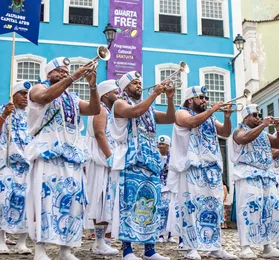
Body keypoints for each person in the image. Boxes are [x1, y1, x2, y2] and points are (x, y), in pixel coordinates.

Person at [25, 57, 101, 260]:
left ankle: (66, 249)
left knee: (74, 202)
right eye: (59, 70)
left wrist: (93, 87)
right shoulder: (37, 89)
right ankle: (40, 249)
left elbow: (94, 110)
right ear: (49, 73)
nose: (64, 73)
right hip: (48, 153)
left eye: (66, 70)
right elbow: (44, 98)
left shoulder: (73, 98)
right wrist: (75, 76)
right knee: (45, 200)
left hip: (72, 156)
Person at [108, 71, 175, 260]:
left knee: (151, 205)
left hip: (150, 161)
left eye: (139, 83)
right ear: (124, 87)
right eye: (134, 83)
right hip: (131, 159)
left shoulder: (149, 109)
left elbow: (171, 118)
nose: (138, 86)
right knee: (129, 204)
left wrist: (169, 98)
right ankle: (127, 251)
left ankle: (149, 250)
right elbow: (135, 112)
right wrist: (154, 94)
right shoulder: (120, 103)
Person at [169, 86, 236, 260]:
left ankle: (215, 246)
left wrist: (226, 117)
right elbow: (191, 123)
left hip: (211, 168)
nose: (205, 101)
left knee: (214, 207)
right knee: (192, 207)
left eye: (206, 98)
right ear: (190, 100)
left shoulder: (209, 117)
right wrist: (213, 109)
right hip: (192, 167)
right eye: (201, 98)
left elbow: (225, 132)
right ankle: (190, 246)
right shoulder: (181, 113)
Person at [232, 104, 279, 259]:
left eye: (259, 115)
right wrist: (263, 125)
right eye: (254, 115)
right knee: (248, 208)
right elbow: (243, 139)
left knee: (270, 209)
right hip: (248, 173)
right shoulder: (239, 130)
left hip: (266, 175)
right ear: (245, 117)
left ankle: (267, 246)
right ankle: (245, 246)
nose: (258, 118)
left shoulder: (263, 133)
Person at [85, 80, 119, 255]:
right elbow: (99, 133)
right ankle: (99, 242)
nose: (118, 95)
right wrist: (110, 157)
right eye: (115, 92)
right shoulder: (101, 109)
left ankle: (102, 241)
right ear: (106, 95)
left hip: (105, 162)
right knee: (100, 200)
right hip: (101, 162)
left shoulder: (108, 111)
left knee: (106, 202)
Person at [0, 81, 32, 254]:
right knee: (4, 201)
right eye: (22, 93)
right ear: (13, 95)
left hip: (27, 165)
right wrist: (5, 114)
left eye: (28, 94)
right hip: (8, 163)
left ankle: (22, 242)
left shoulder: (32, 115)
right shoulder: (4, 110)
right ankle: (1, 240)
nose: (26, 97)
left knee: (26, 202)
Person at [157, 135, 176, 244]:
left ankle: (169, 234)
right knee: (160, 211)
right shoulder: (156, 156)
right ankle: (160, 234)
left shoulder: (172, 158)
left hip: (169, 187)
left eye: (163, 144)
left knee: (170, 211)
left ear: (168, 146)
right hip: (159, 186)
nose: (161, 146)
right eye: (160, 144)